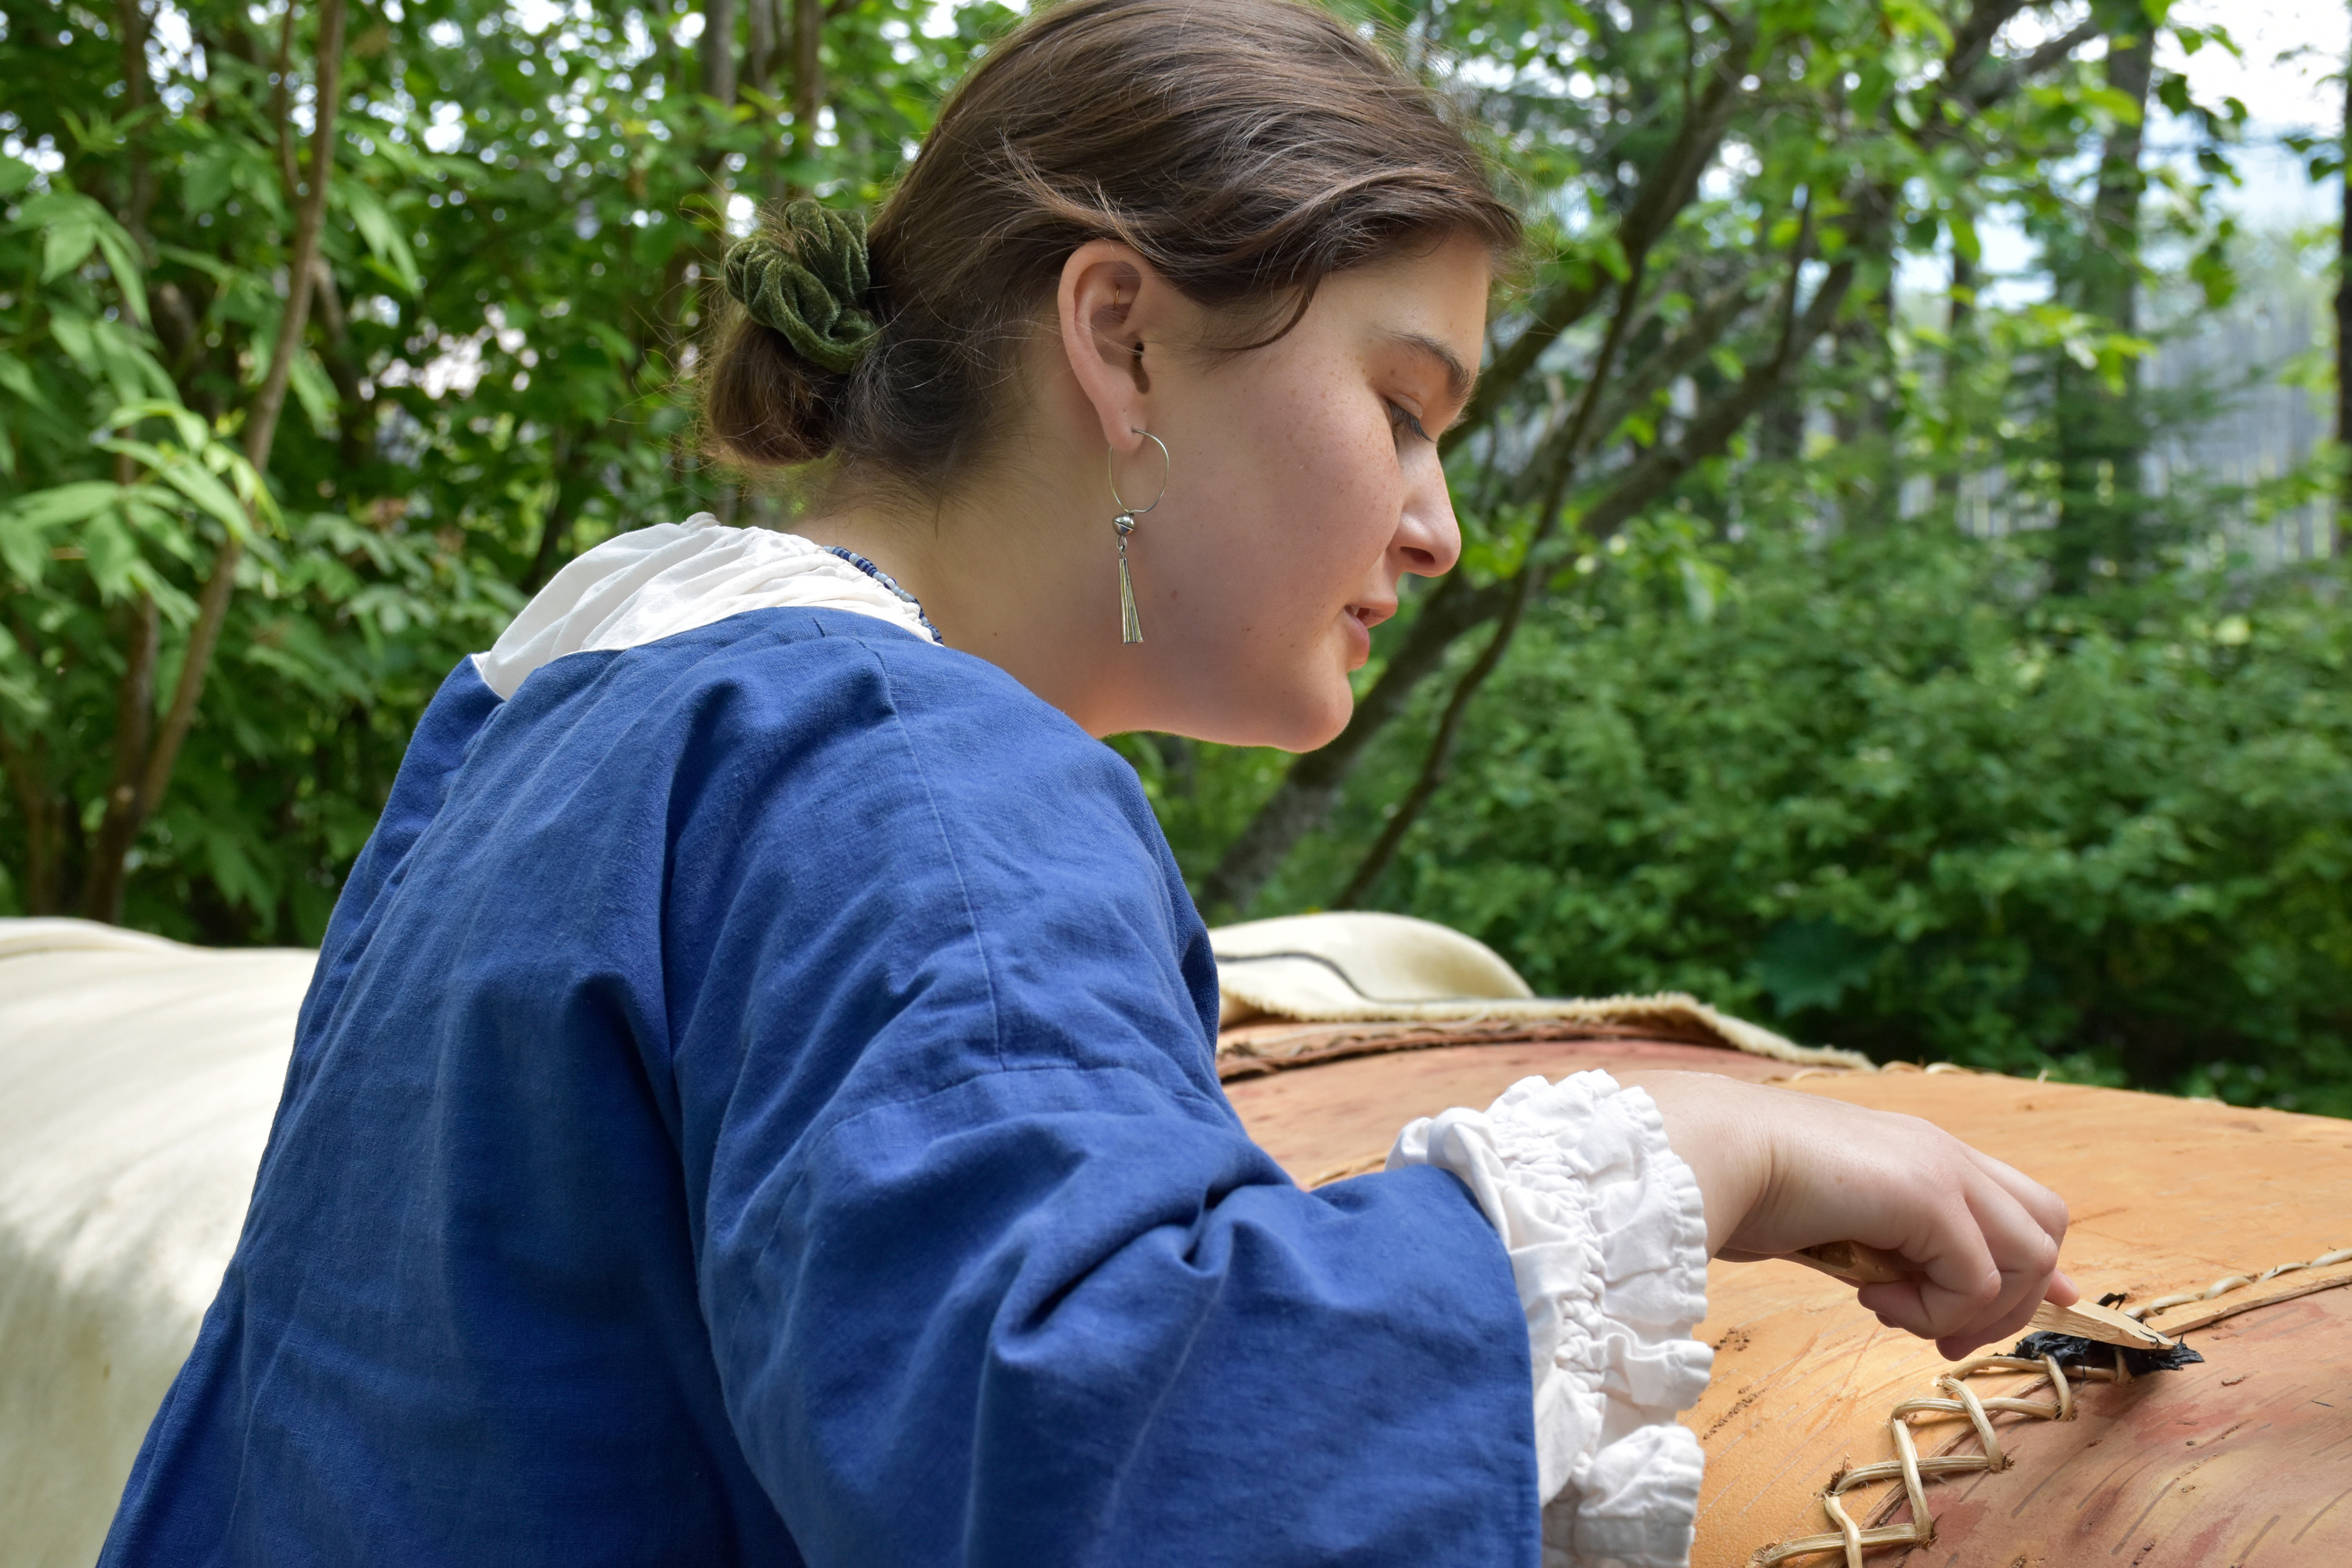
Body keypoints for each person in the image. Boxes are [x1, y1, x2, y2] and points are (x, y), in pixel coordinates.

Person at [100, 1, 2075, 1563]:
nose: (1439, 526)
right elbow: (1111, 1454)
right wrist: (1693, 1152)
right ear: (1122, 338)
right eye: (1402, 406)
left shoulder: (587, 705)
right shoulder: (905, 779)